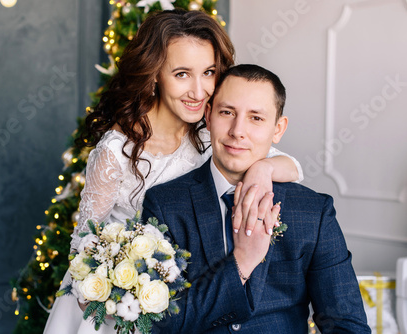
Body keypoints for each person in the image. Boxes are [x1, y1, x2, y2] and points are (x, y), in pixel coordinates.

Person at [43, 11, 303, 334]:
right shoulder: (116, 152)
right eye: (182, 74)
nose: (199, 91)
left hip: (191, 301)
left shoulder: (211, 134)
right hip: (119, 307)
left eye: (208, 72)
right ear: (155, 75)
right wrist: (124, 297)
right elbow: (82, 251)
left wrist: (262, 169)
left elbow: (293, 167)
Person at [142, 64, 370, 333]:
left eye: (256, 118)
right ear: (208, 115)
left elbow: (347, 325)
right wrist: (241, 262)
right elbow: (162, 322)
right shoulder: (164, 204)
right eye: (227, 112)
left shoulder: (314, 212)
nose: (238, 130)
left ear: (278, 129)